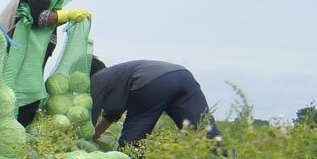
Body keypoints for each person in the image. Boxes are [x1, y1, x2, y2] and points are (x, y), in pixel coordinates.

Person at [1, 0, 90, 126]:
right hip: (25, 59)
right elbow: (37, 16)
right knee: (27, 101)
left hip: (27, 57)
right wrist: (66, 15)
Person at [90, 58, 222, 149]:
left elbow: (91, 116)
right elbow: (112, 113)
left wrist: (85, 140)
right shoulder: (115, 78)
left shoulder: (96, 79)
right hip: (183, 75)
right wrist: (97, 133)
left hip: (152, 80)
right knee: (205, 132)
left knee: (131, 143)